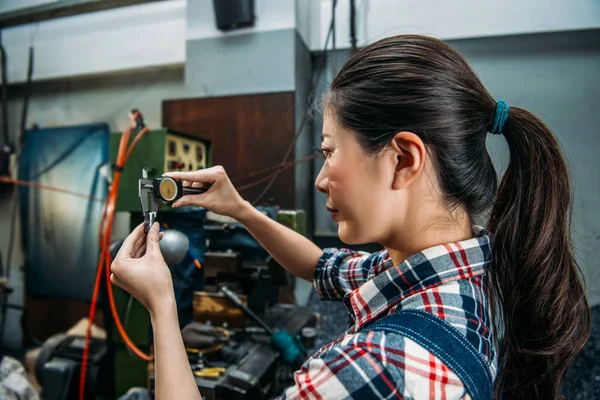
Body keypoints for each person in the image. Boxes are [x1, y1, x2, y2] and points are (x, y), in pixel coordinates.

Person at [109, 35, 591, 399]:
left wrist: (161, 305)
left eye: (329, 151)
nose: (320, 179)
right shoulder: (463, 270)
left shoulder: (380, 365)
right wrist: (239, 209)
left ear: (403, 158)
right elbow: (320, 266)